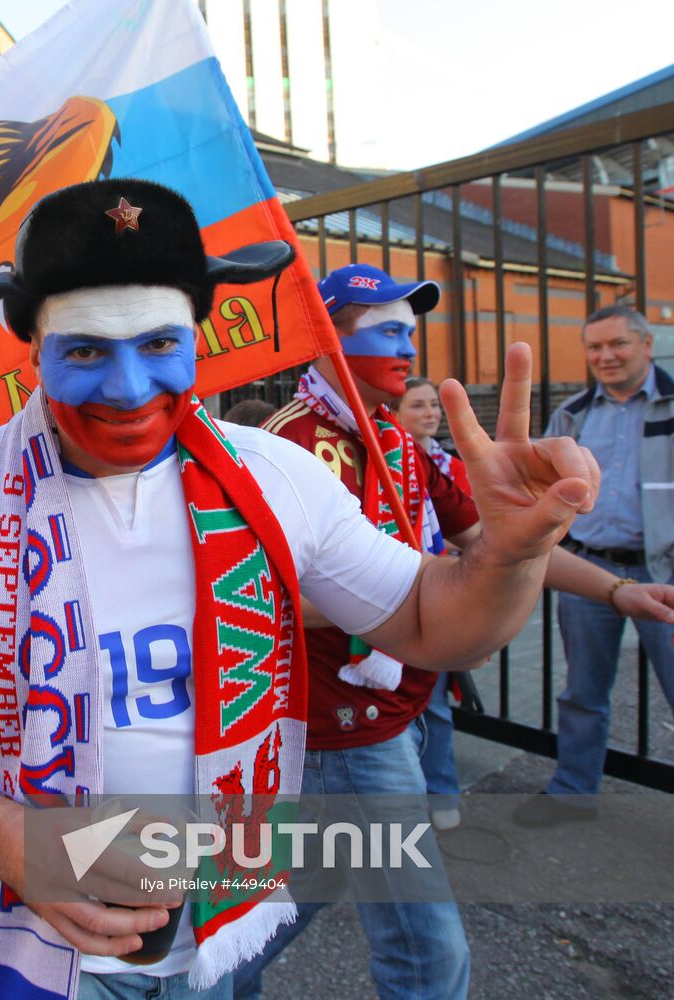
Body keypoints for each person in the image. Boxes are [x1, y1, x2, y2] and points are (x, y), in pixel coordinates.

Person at [0, 179, 609, 1000]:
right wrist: (6, 838)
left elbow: (429, 624)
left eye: (159, 345)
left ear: (198, 339)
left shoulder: (275, 476)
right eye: (88, 351)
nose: (130, 389)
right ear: (33, 353)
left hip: (222, 930)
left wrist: (509, 555)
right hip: (32, 931)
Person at [240, 264, 674, 1000]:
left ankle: (196, 980)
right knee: (428, 955)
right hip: (340, 728)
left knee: (303, 886)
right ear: (326, 340)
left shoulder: (401, 444)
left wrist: (617, 588)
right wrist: (402, 593)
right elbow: (258, 596)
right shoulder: (284, 448)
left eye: (409, 330)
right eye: (383, 330)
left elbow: (490, 546)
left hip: (404, 705)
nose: (405, 347)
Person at [515, 304, 674, 827]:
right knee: (583, 690)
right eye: (595, 347)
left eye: (617, 344)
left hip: (666, 575)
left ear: (647, 345)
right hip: (588, 572)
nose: (605, 356)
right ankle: (573, 791)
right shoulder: (574, 415)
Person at [395, 375, 474, 830]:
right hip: (397, 600)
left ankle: (442, 792)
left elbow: (471, 523)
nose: (430, 413)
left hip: (439, 596)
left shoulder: (445, 463)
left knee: (436, 707)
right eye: (418, 405)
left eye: (433, 405)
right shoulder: (390, 459)